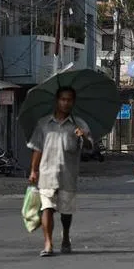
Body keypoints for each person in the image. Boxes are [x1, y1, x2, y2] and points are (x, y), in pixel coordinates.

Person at [28, 86, 90, 257]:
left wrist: (83, 136)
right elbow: (37, 148)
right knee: (47, 208)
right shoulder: (43, 124)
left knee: (66, 212)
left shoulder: (79, 124)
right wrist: (33, 170)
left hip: (68, 175)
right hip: (47, 174)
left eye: (69, 99)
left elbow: (91, 147)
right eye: (63, 99)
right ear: (57, 101)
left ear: (73, 102)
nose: (66, 102)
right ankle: (48, 243)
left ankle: (66, 236)